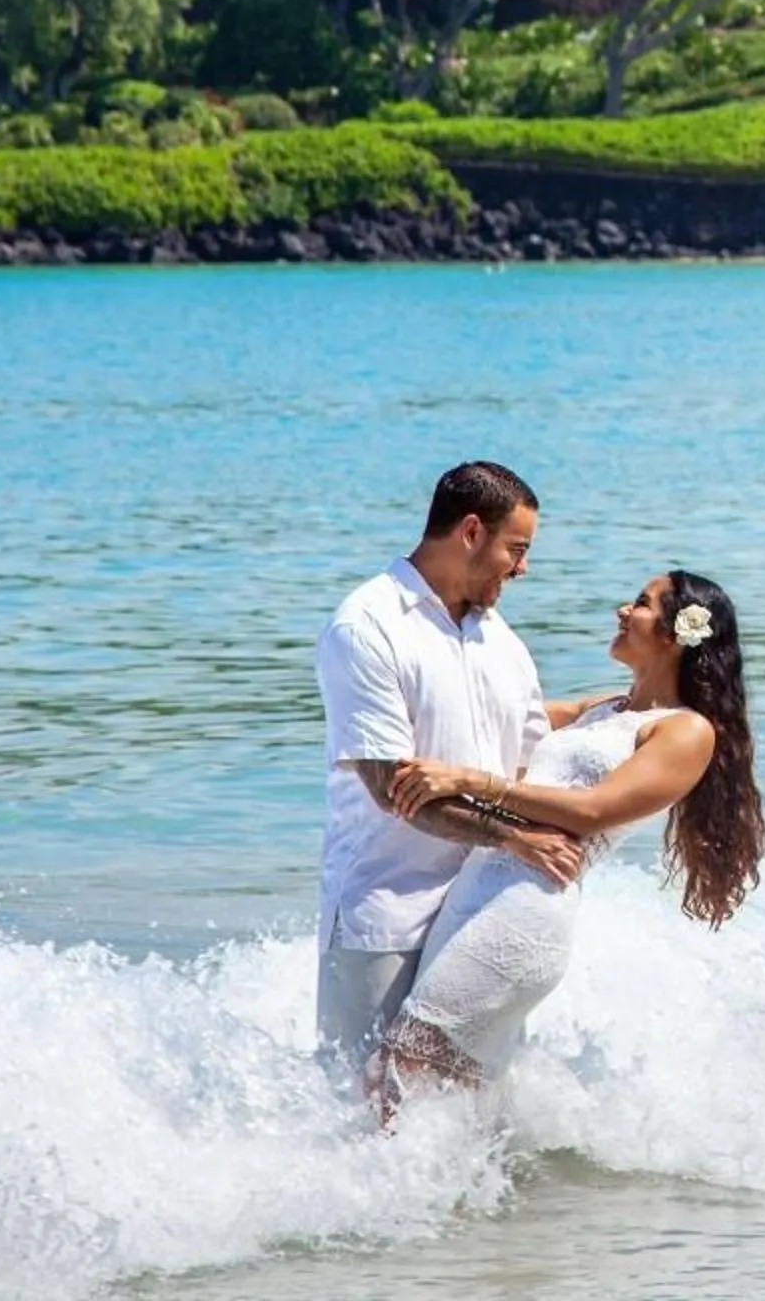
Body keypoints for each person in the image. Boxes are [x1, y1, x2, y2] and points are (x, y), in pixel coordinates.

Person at [372, 569, 765, 1097]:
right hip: (478, 893)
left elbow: (590, 810)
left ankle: (393, 1180)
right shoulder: (604, 709)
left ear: (676, 635)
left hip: (524, 911)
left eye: (642, 603)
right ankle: (480, 1180)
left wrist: (470, 782)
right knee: (448, 1092)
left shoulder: (686, 730)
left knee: (398, 1072)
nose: (623, 611)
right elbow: (492, 719)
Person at [313, 461, 588, 1087]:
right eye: (516, 549)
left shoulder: (505, 645)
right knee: (366, 1105)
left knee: (465, 1111)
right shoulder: (367, 628)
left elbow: (525, 765)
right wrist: (516, 838)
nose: (523, 568)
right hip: (387, 913)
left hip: (483, 911)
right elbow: (393, 792)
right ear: (470, 532)